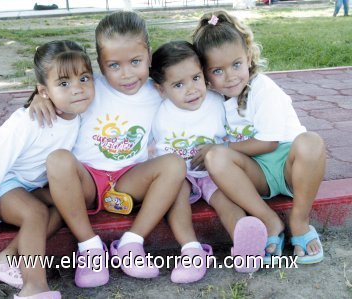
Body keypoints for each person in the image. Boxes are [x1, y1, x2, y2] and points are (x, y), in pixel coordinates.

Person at [29, 11, 186, 287]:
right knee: (58, 161)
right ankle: (89, 248)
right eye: (114, 65)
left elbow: (194, 86)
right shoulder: (89, 89)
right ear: (99, 63)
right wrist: (34, 99)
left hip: (128, 180)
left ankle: (131, 244)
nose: (126, 74)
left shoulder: (157, 91)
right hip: (87, 180)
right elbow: (56, 90)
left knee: (174, 164)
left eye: (135, 62)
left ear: (149, 55)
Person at [0, 40, 96, 299]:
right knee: (35, 212)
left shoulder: (79, 113)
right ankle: (34, 286)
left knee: (65, 205)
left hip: (27, 186)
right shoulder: (29, 121)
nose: (78, 89)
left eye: (84, 78)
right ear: (43, 91)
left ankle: (7, 257)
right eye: (64, 83)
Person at [192, 10, 326, 265]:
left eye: (236, 65)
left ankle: (299, 221)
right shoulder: (212, 99)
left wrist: (227, 146)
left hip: (290, 167)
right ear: (205, 74)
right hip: (257, 175)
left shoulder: (263, 88)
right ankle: (269, 220)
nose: (230, 76)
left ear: (249, 57)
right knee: (215, 157)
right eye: (217, 71)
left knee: (312, 141)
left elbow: (269, 143)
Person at [150, 40, 267, 276]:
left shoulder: (218, 102)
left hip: (213, 172)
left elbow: (235, 133)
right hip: (179, 176)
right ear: (161, 89)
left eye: (195, 78)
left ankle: (244, 242)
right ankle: (191, 252)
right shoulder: (156, 110)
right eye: (178, 84)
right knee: (176, 197)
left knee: (226, 199)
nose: (191, 89)